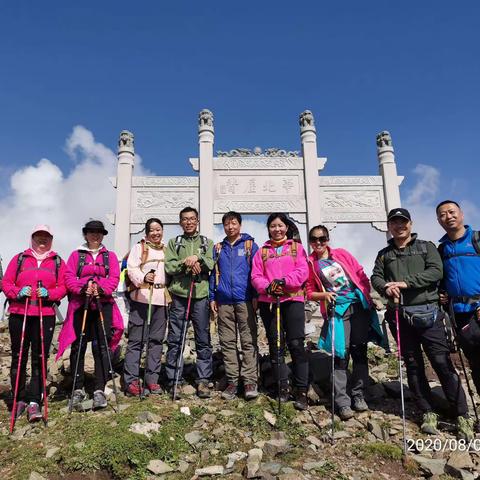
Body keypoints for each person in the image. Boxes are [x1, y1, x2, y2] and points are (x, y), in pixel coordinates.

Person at [371, 208, 473, 440]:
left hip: (429, 314)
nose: (400, 226)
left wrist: (406, 283)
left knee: (442, 362)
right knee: (413, 365)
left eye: (403, 222)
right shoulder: (384, 254)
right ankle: (427, 411)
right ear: (389, 226)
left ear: (410, 224)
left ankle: (462, 414)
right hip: (400, 315)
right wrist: (385, 287)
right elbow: (375, 277)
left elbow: (436, 272)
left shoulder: (427, 247)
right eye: (395, 223)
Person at [305, 225, 383, 420]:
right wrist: (323, 295)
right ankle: (342, 401)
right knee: (340, 353)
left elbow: (359, 273)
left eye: (322, 238)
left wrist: (367, 295)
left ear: (328, 238)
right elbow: (308, 291)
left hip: (358, 306)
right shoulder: (311, 264)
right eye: (314, 240)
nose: (319, 243)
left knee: (359, 350)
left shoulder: (341, 254)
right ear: (310, 242)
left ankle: (358, 395)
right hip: (337, 310)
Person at [56, 220, 123, 410]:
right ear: (85, 234)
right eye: (92, 232)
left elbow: (114, 278)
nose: (96, 235)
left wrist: (101, 289)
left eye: (99, 232)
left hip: (103, 304)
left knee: (102, 345)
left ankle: (99, 389)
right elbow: (68, 277)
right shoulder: (76, 255)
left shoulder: (109, 256)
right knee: (79, 345)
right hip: (80, 304)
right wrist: (82, 288)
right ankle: (77, 388)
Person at [3, 225, 67, 422]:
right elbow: (6, 283)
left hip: (44, 312)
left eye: (46, 237)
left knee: (40, 357)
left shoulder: (57, 261)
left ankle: (33, 400)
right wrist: (17, 292)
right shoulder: (20, 258)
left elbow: (63, 287)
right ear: (32, 238)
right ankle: (19, 397)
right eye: (38, 236)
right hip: (19, 312)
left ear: (51, 239)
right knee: (19, 356)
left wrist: (51, 294)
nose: (42, 240)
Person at [251, 213, 309, 410]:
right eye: (273, 226)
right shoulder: (262, 252)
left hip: (292, 299)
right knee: (276, 345)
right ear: (268, 229)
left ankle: (301, 390)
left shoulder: (296, 248)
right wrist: (267, 287)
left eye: (280, 226)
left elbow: (303, 271)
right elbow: (256, 275)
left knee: (296, 344)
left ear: (287, 227)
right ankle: (282, 387)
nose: (277, 229)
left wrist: (284, 282)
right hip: (270, 302)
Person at [164, 207, 215, 398]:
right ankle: (173, 379)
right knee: (176, 339)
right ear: (180, 222)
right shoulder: (173, 243)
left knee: (203, 339)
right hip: (179, 296)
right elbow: (169, 266)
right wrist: (185, 263)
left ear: (198, 221)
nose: (189, 222)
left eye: (192, 219)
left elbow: (211, 262)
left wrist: (198, 259)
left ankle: (203, 380)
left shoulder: (206, 242)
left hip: (200, 296)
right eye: (185, 219)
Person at [209, 211, 259, 400]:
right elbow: (213, 274)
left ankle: (249, 381)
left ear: (240, 225)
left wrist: (255, 296)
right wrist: (212, 297)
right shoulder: (218, 248)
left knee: (248, 341)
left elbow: (256, 272)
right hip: (223, 302)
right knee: (227, 343)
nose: (230, 227)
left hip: (245, 299)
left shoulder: (250, 246)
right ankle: (232, 381)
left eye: (234, 223)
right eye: (227, 224)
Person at [436, 200, 480, 395]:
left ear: (461, 214)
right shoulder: (442, 249)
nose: (448, 216)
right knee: (476, 363)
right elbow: (443, 281)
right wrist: (442, 295)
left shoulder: (477, 239)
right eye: (443, 214)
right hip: (460, 314)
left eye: (452, 212)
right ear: (438, 220)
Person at [123, 217, 169, 396]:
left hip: (161, 300)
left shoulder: (167, 250)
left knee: (156, 341)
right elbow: (132, 269)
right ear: (147, 232)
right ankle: (131, 381)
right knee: (136, 341)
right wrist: (143, 278)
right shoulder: (139, 248)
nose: (156, 233)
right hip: (142, 298)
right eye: (152, 230)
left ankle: (152, 380)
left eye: (159, 229)